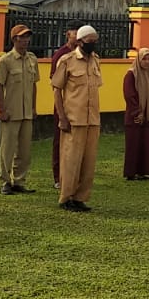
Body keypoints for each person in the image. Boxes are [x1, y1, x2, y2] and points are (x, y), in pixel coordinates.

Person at [50, 22, 102, 211]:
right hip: (73, 120)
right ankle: (66, 197)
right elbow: (57, 90)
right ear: (80, 41)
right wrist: (62, 117)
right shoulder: (67, 60)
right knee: (70, 161)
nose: (93, 44)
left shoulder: (96, 60)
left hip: (92, 119)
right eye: (90, 41)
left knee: (88, 162)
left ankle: (81, 197)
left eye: (95, 41)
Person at [0, 24, 39, 195]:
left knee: (25, 150)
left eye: (27, 36)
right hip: (11, 112)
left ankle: (19, 181)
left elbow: (34, 85)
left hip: (27, 112)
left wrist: (34, 107)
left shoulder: (32, 59)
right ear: (14, 39)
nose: (26, 40)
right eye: (22, 37)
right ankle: (5, 181)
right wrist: (2, 109)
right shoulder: (5, 60)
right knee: (7, 148)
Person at [47, 23, 81, 190]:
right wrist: (61, 113)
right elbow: (55, 86)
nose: (78, 36)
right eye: (75, 32)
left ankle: (73, 175)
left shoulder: (84, 55)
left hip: (78, 107)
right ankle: (58, 177)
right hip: (63, 106)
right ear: (68, 33)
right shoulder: (61, 55)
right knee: (60, 141)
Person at [122, 48, 149, 180]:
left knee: (146, 144)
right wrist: (137, 112)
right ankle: (131, 173)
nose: (147, 62)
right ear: (138, 59)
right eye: (144, 59)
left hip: (148, 115)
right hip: (135, 117)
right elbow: (129, 95)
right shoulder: (131, 74)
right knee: (133, 144)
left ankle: (143, 171)